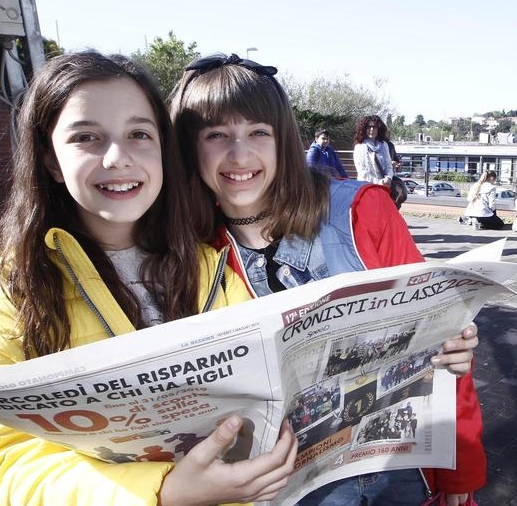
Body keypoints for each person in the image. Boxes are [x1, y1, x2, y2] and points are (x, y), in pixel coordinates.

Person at [0, 51, 297, 506]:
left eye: (139, 134)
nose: (117, 157)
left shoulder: (210, 266)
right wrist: (161, 493)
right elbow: (2, 461)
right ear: (51, 161)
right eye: (86, 137)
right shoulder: (10, 290)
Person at [171, 52, 485, 506]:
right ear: (188, 147)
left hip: (399, 461)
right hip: (289, 485)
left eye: (259, 132)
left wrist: (462, 468)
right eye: (216, 135)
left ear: (283, 140)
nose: (240, 155)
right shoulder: (189, 254)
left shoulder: (364, 213)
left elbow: (445, 347)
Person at [353, 115, 394, 186]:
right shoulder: (359, 147)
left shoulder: (384, 145)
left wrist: (389, 177)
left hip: (384, 185)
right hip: (366, 186)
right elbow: (362, 172)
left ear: (379, 128)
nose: (372, 129)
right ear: (364, 129)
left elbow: (389, 166)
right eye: (369, 127)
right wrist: (379, 182)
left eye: (374, 127)